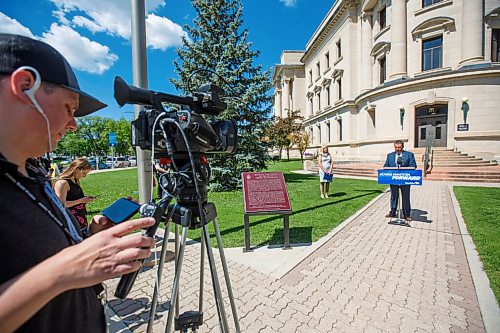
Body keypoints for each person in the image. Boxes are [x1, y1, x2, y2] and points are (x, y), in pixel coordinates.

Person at [0, 33, 155, 333]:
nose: (73, 124)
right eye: (70, 108)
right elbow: (62, 268)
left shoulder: (32, 173)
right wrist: (68, 267)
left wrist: (85, 237)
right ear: (23, 86)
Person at [54, 158, 95, 234]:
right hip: (70, 220)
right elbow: (60, 205)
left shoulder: (75, 180)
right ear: (76, 169)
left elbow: (74, 197)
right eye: (84, 173)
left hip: (80, 218)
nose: (84, 176)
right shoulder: (62, 183)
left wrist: (85, 199)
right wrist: (81, 200)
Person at [383, 140, 417, 221]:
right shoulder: (390, 155)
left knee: (406, 197)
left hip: (405, 180)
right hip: (393, 179)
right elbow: (385, 166)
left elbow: (413, 166)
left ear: (403, 147)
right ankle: (393, 212)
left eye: (399, 147)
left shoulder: (409, 155)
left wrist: (403, 169)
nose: (397, 149)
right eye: (396, 147)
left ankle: (406, 215)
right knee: (393, 197)